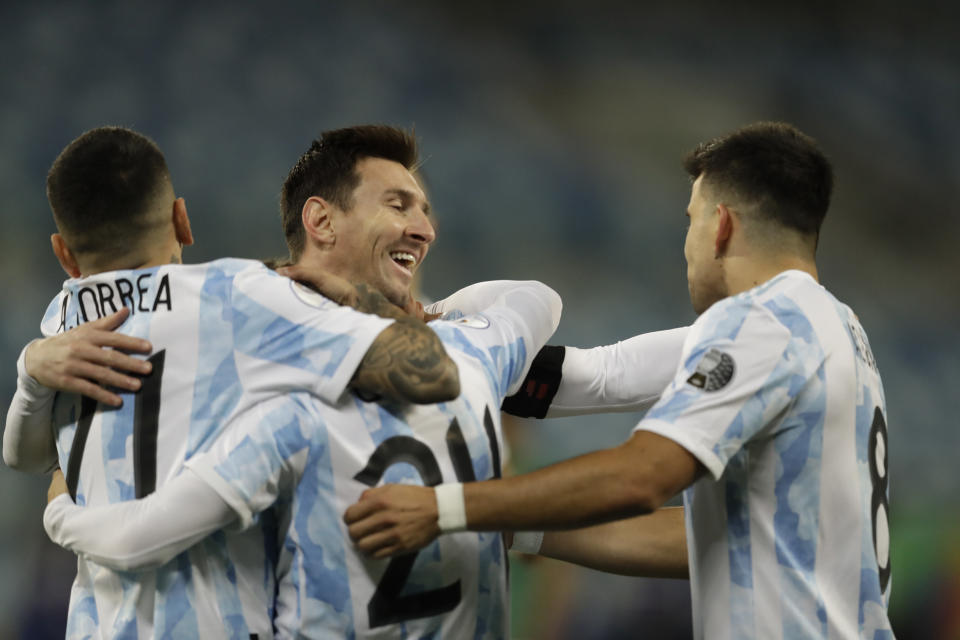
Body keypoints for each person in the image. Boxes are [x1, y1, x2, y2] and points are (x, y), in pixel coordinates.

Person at [344, 122, 895, 639]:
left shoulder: (763, 323)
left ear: (721, 225)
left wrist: (446, 508)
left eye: (691, 220)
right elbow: (599, 379)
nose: (689, 245)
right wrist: (447, 336)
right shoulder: (831, 330)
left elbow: (642, 476)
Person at [2, 125, 461, 639]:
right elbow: (434, 374)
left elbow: (25, 457)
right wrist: (355, 299)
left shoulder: (60, 323)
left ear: (64, 254)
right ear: (182, 219)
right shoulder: (240, 295)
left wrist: (29, 368)